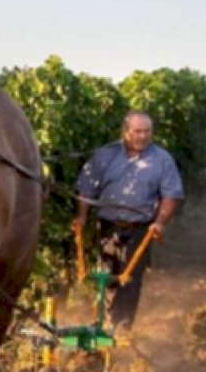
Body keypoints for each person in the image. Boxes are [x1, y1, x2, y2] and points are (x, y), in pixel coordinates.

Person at [72, 111, 184, 331]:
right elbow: (85, 189)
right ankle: (104, 324)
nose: (142, 136)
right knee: (106, 276)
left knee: (130, 279)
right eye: (137, 131)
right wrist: (82, 216)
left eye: (147, 131)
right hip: (108, 226)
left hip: (141, 228)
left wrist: (160, 222)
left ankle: (122, 328)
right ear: (125, 132)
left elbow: (171, 195)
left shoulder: (162, 159)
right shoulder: (105, 156)